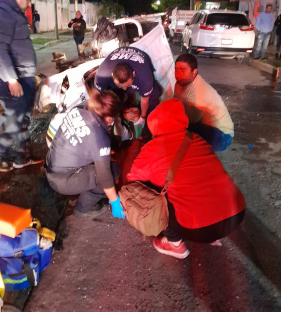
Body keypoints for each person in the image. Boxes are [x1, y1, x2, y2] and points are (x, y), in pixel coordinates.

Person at [127, 99, 246, 259]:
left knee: (156, 196)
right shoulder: (196, 138)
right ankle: (214, 235)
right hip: (236, 214)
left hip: (198, 228)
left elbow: (133, 181)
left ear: (154, 124)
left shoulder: (152, 149)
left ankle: (175, 245)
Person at [0, 0, 43, 172]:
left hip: (22, 77)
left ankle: (22, 156)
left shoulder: (12, 12)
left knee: (22, 118)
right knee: (12, 117)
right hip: (9, 80)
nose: (29, 3)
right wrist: (11, 79)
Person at [45, 89, 125, 218]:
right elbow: (105, 177)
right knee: (113, 170)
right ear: (110, 117)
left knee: (99, 164)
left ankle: (77, 189)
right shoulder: (99, 138)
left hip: (51, 164)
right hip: (61, 181)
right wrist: (114, 201)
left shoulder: (81, 107)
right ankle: (83, 208)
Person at [174, 54, 234, 152]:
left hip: (222, 135)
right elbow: (174, 105)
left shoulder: (200, 91)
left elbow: (189, 120)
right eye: (176, 70)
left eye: (183, 70)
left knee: (182, 134)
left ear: (194, 72)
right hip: (202, 126)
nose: (178, 74)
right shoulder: (179, 84)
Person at [94, 47, 162, 130]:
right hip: (116, 63)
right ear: (112, 75)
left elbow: (145, 100)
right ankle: (123, 104)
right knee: (110, 98)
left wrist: (143, 117)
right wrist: (120, 113)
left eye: (128, 84)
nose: (125, 89)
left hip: (142, 62)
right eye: (120, 85)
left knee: (153, 96)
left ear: (133, 74)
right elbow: (99, 100)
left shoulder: (145, 77)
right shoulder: (102, 76)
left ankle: (152, 124)